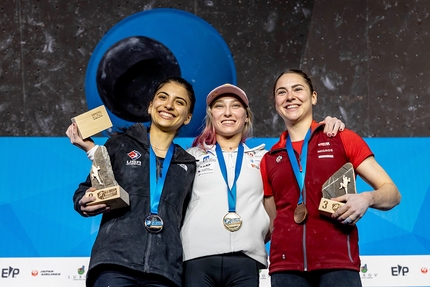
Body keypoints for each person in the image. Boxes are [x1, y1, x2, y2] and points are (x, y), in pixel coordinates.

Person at [180, 83, 345, 287]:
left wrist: (326, 124)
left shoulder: (265, 158)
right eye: (220, 106)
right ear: (211, 115)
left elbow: (280, 210)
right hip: (197, 258)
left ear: (246, 116)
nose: (228, 113)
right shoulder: (189, 157)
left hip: (247, 260)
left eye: (236, 106)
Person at [261, 69, 401, 287]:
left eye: (298, 89)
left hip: (338, 265)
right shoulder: (270, 158)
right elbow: (272, 223)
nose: (290, 96)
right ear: (276, 103)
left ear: (314, 97)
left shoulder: (342, 138)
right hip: (285, 269)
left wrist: (366, 199)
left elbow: (392, 193)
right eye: (282, 92)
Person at [66, 76, 197, 287]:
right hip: (115, 264)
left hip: (164, 273)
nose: (169, 105)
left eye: (179, 102)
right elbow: (87, 189)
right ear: (150, 106)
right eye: (162, 97)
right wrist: (84, 201)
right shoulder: (120, 144)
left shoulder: (189, 164)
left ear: (188, 117)